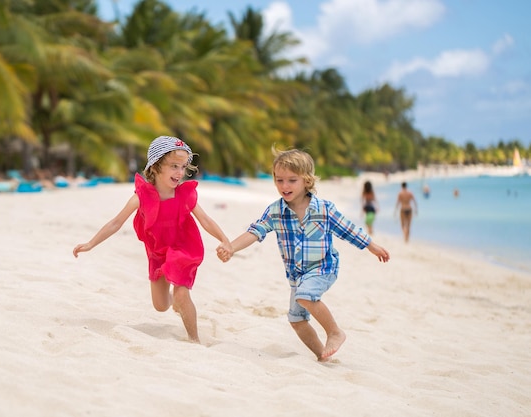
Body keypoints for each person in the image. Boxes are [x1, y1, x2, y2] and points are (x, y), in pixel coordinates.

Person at [217, 148, 390, 361]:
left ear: (306, 181)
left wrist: (371, 246)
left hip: (323, 267)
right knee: (297, 319)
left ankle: (335, 332)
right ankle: (322, 355)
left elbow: (348, 229)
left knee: (305, 296)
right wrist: (232, 248)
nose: (284, 186)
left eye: (292, 180)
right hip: (297, 275)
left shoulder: (324, 209)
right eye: (279, 180)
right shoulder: (275, 211)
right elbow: (255, 231)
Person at [73, 135, 233, 343]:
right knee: (160, 306)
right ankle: (174, 299)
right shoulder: (141, 197)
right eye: (174, 166)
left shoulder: (185, 195)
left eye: (183, 167)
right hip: (157, 252)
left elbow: (205, 220)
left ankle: (194, 339)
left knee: (182, 293)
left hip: (183, 247)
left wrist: (224, 238)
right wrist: (90, 243)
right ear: (156, 166)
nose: (180, 172)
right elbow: (116, 222)